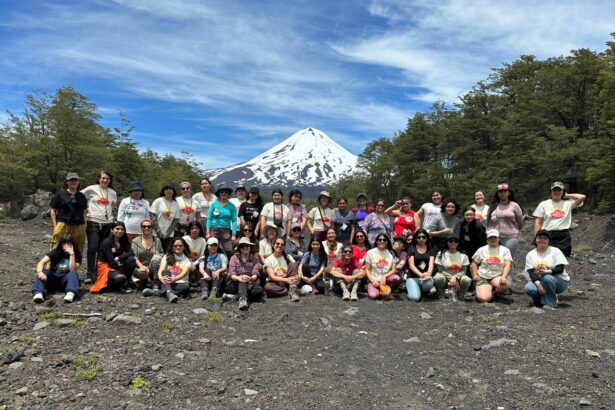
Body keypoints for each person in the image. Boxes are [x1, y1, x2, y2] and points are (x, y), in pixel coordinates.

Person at [82, 171, 117, 283]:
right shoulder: (91, 189)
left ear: (110, 181)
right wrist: (85, 208)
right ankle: (89, 272)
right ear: (99, 179)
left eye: (107, 179)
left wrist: (114, 220)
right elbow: (80, 196)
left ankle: (98, 271)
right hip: (93, 221)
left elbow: (114, 206)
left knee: (102, 248)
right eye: (103, 178)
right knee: (92, 247)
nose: (105, 180)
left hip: (108, 223)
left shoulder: (112, 192)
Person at [532, 182, 585, 257]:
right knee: (547, 259)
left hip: (563, 235)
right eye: (554, 190)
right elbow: (537, 222)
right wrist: (536, 237)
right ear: (551, 192)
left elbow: (582, 197)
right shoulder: (544, 204)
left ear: (563, 191)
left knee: (562, 260)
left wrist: (567, 195)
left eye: (559, 190)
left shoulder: (568, 203)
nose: (556, 192)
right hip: (548, 234)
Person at [487, 182, 523, 285]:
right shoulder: (494, 206)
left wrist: (515, 231)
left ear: (508, 192)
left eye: (504, 191)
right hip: (495, 237)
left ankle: (508, 283)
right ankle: (495, 282)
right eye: (500, 191)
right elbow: (489, 222)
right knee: (495, 259)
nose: (502, 193)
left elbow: (520, 222)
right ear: (497, 193)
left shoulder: (514, 205)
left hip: (510, 237)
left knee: (507, 260)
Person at [524, 230, 570, 309]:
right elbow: (531, 273)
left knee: (547, 277)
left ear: (549, 241)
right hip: (541, 280)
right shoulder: (530, 254)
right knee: (528, 288)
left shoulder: (555, 251)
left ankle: (551, 303)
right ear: (535, 239)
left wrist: (546, 271)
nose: (542, 240)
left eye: (545, 238)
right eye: (540, 238)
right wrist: (538, 285)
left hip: (559, 281)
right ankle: (541, 303)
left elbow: (560, 269)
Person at [32, 235, 81, 304]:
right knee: (44, 271)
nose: (66, 246)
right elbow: (41, 263)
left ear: (73, 245)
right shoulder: (55, 252)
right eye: (64, 244)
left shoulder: (77, 255)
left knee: (73, 274)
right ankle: (38, 293)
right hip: (53, 277)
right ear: (61, 244)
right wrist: (40, 272)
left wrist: (72, 254)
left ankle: (70, 293)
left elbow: (72, 270)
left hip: (66, 280)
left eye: (69, 244)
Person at [90, 222, 136, 293]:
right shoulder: (106, 243)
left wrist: (119, 258)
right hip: (106, 267)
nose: (120, 231)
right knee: (121, 278)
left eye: (122, 229)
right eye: (117, 229)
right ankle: (114, 285)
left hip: (117, 264)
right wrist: (120, 271)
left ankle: (126, 283)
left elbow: (131, 252)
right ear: (112, 230)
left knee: (131, 260)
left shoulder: (123, 241)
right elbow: (111, 262)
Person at [49, 172, 88, 254]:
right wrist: (55, 226)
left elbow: (85, 211)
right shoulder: (60, 195)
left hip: (79, 225)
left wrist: (85, 224)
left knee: (78, 247)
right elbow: (53, 211)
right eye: (71, 180)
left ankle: (75, 265)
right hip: (63, 224)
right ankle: (52, 265)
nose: (74, 182)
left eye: (76, 180)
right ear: (67, 182)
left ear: (78, 182)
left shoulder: (82, 196)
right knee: (57, 245)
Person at [470, 229, 512, 303]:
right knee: (484, 299)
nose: (493, 239)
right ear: (487, 239)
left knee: (505, 285)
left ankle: (497, 294)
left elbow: (508, 264)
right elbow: (474, 263)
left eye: (495, 237)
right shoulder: (481, 250)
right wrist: (475, 275)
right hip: (483, 276)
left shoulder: (505, 250)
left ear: (499, 238)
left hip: (497, 276)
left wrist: (504, 277)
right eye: (490, 237)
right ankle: (484, 290)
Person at [147, 237, 191, 303]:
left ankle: (158, 292)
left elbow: (183, 274)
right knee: (165, 272)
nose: (178, 247)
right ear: (172, 247)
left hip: (179, 282)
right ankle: (169, 292)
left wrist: (174, 279)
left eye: (180, 245)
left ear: (184, 247)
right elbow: (161, 270)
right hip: (166, 281)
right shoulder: (167, 256)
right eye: (175, 246)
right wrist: (161, 278)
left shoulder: (187, 260)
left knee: (186, 286)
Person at [224, 237, 264, 310]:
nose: (245, 247)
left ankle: (235, 297)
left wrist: (250, 278)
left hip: (250, 284)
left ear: (250, 247)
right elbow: (231, 274)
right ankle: (242, 299)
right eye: (242, 246)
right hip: (235, 283)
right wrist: (239, 278)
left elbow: (256, 273)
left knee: (259, 290)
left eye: (247, 245)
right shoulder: (234, 258)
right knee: (242, 281)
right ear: (239, 248)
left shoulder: (254, 258)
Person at [364, 234, 401, 300]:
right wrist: (372, 281)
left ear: (387, 241)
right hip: (374, 280)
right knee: (373, 296)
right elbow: (367, 269)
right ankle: (385, 292)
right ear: (376, 241)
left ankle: (387, 291)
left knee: (396, 278)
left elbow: (393, 270)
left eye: (384, 240)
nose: (382, 241)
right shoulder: (370, 252)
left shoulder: (392, 253)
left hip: (386, 280)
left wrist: (384, 276)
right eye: (380, 240)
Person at [434, 236, 471, 301]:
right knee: (437, 278)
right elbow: (440, 270)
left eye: (455, 241)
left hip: (458, 278)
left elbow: (464, 271)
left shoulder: (463, 255)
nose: (453, 242)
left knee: (467, 279)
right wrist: (452, 278)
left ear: (458, 243)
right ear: (447, 242)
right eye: (450, 241)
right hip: (444, 277)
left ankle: (460, 296)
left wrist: (456, 277)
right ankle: (441, 295)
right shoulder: (441, 254)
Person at [131, 219, 163, 290]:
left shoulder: (157, 240)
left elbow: (162, 254)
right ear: (141, 227)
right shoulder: (135, 241)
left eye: (149, 226)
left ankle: (155, 282)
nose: (146, 228)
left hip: (153, 268)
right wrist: (141, 266)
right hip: (140, 268)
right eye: (144, 226)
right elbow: (134, 256)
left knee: (157, 258)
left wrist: (159, 255)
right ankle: (143, 282)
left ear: (152, 228)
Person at [206, 184, 237, 255]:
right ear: (219, 194)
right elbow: (209, 218)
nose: (224, 193)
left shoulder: (232, 206)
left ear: (228, 194)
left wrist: (233, 235)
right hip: (214, 229)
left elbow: (234, 221)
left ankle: (229, 264)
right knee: (212, 248)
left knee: (229, 250)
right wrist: (208, 232)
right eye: (222, 192)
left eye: (226, 192)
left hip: (226, 230)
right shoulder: (214, 205)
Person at [406, 228, 436, 302]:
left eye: (423, 237)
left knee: (428, 284)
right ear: (415, 238)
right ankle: (414, 289)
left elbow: (431, 264)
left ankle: (423, 289)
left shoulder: (431, 249)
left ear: (427, 238)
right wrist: (422, 275)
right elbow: (411, 266)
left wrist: (428, 274)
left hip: (426, 278)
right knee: (415, 298)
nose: (421, 239)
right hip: (413, 277)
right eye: (419, 237)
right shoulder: (411, 249)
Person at [150, 182, 181, 251]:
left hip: (169, 235)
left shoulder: (176, 204)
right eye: (166, 189)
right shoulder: (158, 201)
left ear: (173, 191)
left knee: (167, 254)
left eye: (170, 189)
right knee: (156, 254)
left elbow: (175, 221)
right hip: (156, 234)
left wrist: (167, 234)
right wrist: (159, 232)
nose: (168, 191)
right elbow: (153, 217)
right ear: (163, 191)